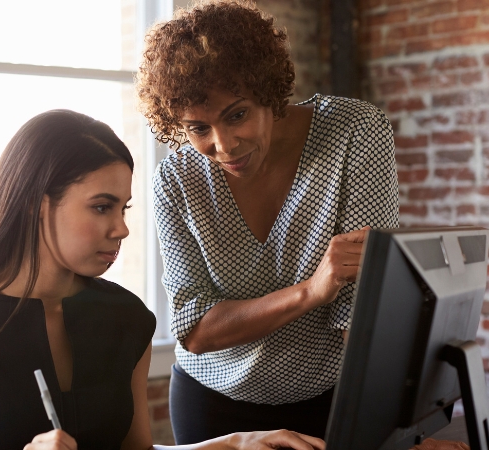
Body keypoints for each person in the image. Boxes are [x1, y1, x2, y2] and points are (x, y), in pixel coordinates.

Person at [0, 109, 326, 450]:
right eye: (102, 207)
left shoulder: (126, 319)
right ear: (35, 205)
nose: (121, 229)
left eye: (124, 209)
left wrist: (235, 443)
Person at [135, 0, 399, 444]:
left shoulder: (355, 131)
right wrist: (311, 291)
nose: (224, 145)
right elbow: (195, 328)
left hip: (330, 398)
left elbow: (361, 309)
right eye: (198, 128)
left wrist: (390, 430)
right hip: (211, 403)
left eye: (237, 114)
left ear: (269, 91)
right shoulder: (175, 179)